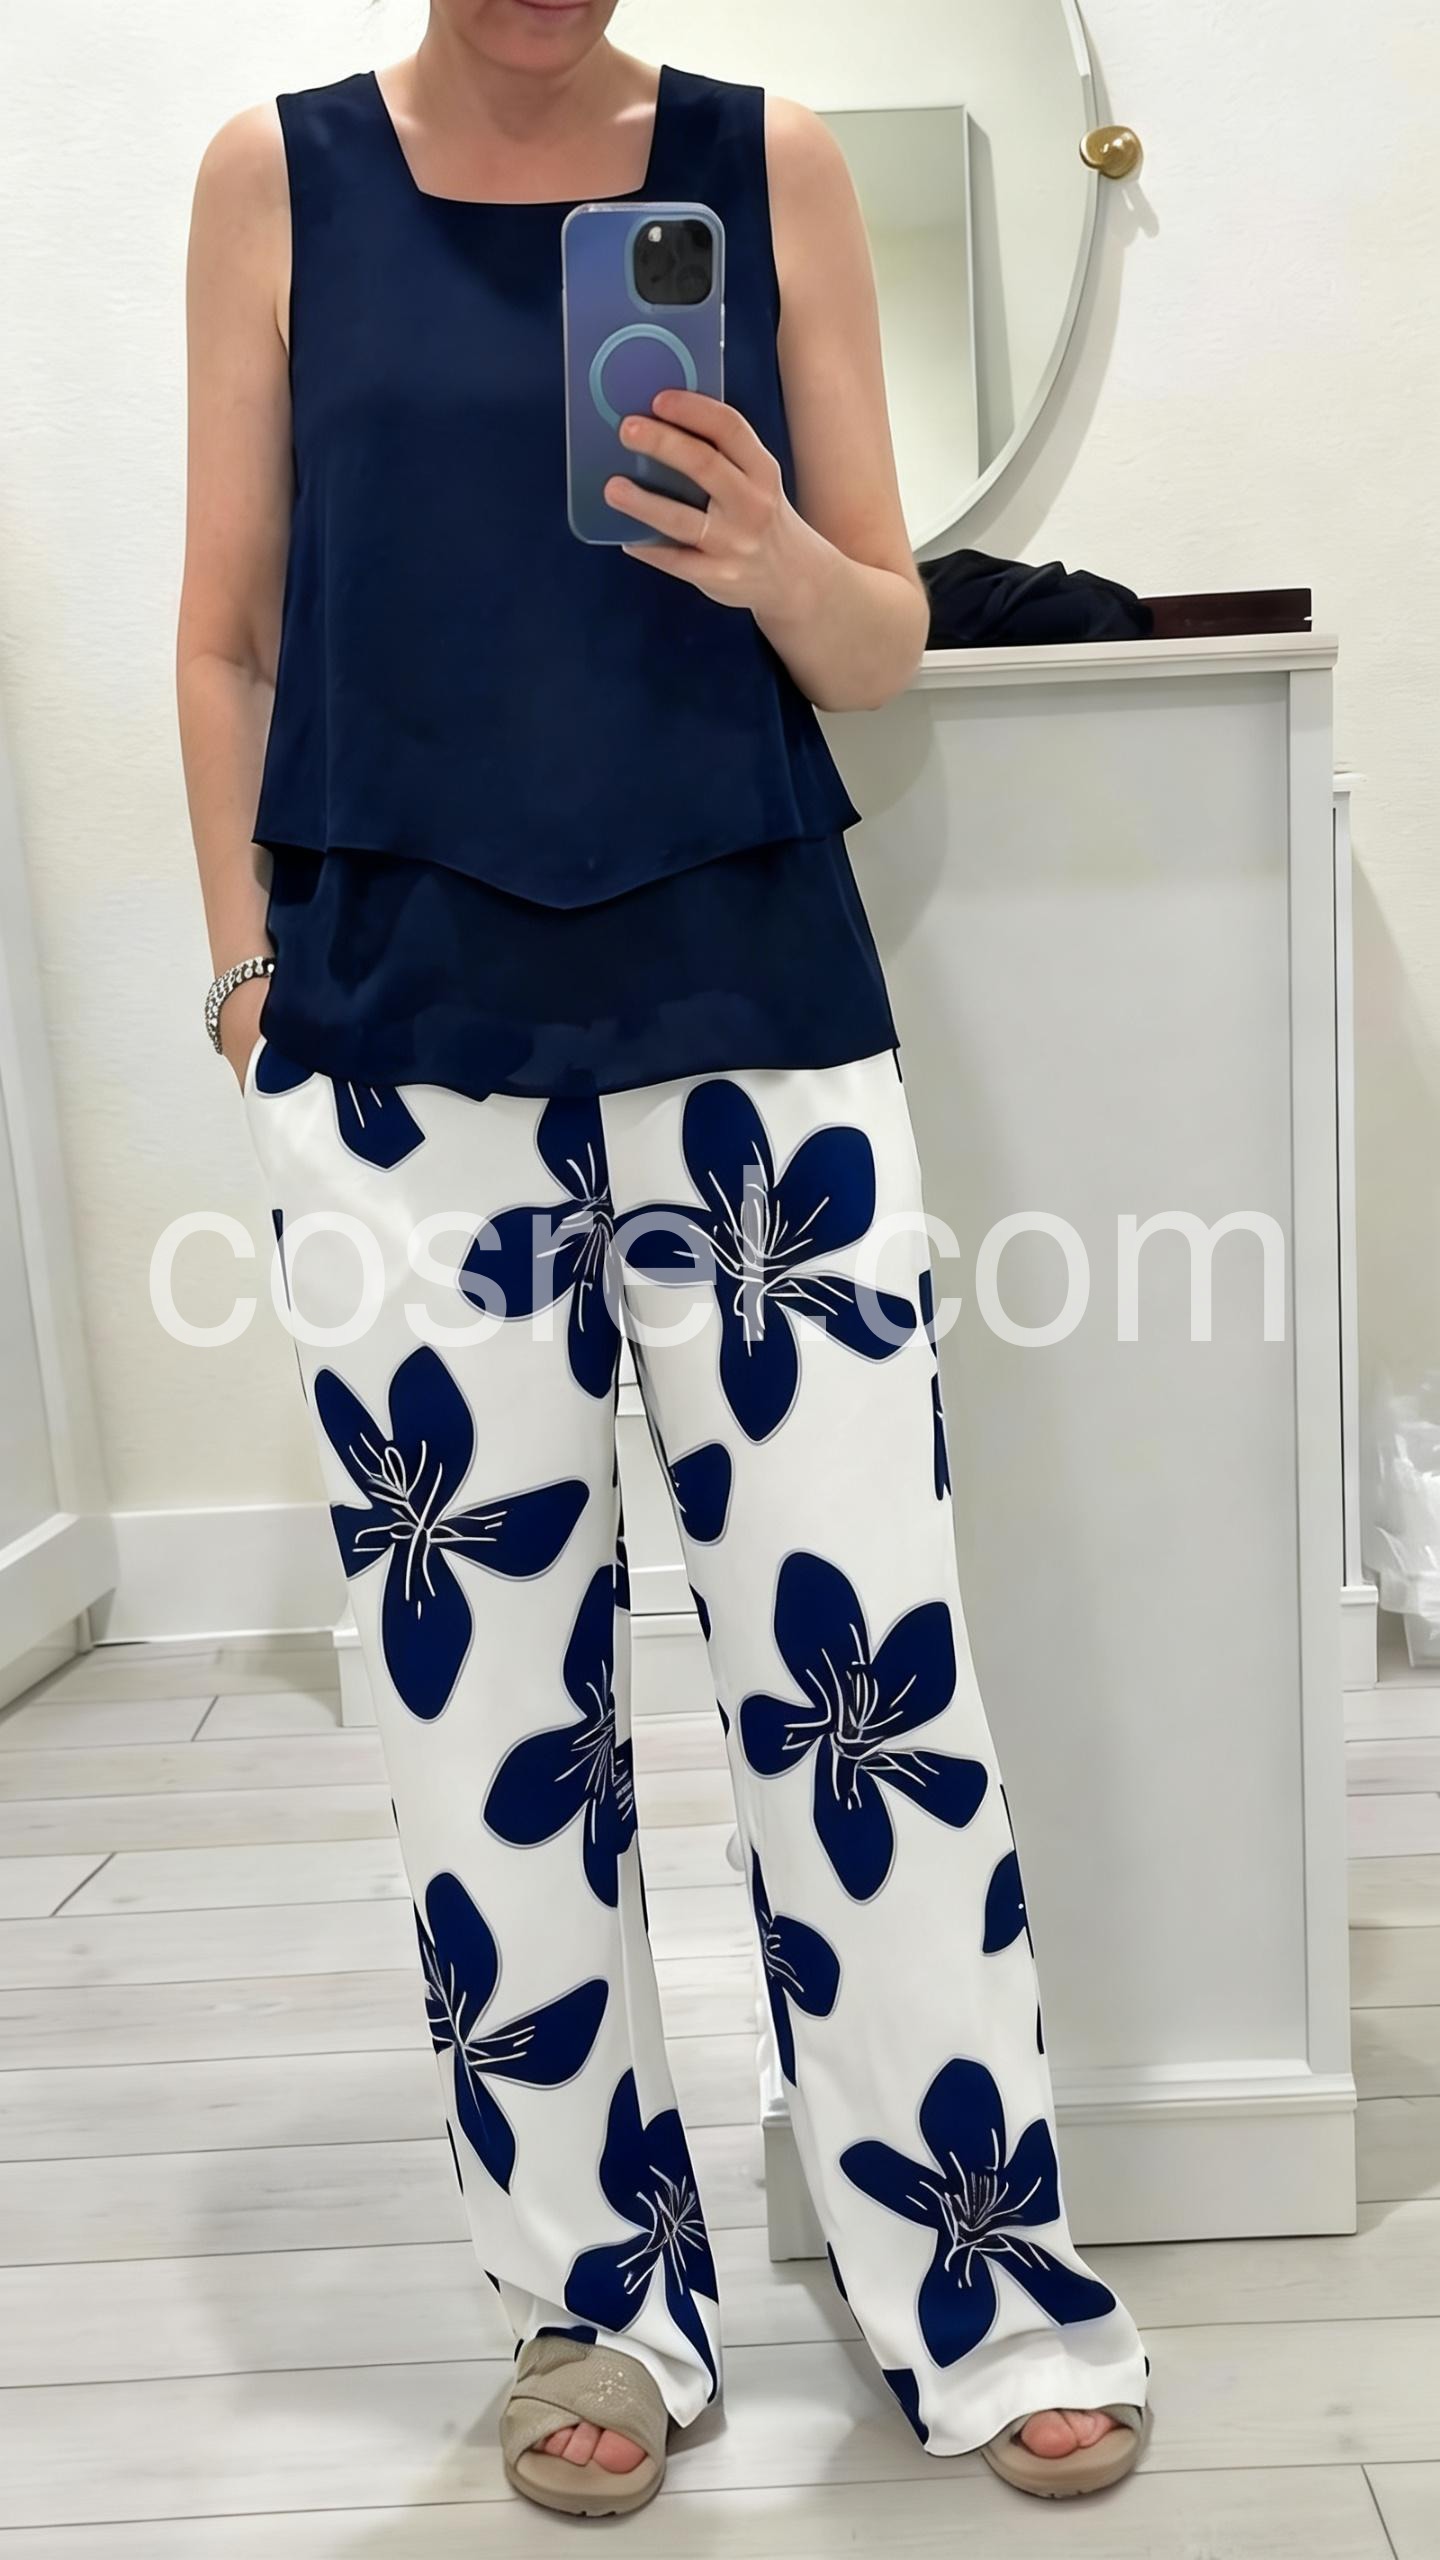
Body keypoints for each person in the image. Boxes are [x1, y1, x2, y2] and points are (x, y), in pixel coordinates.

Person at [176, 0, 1149, 2520]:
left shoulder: (766, 161)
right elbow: (227, 632)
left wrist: (769, 553)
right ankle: (596, 2296)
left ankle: (978, 2275)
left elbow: (881, 642)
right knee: (483, 1701)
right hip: (394, 1035)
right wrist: (244, 971)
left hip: (749, 1005)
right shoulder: (275, 179)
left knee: (864, 1672)